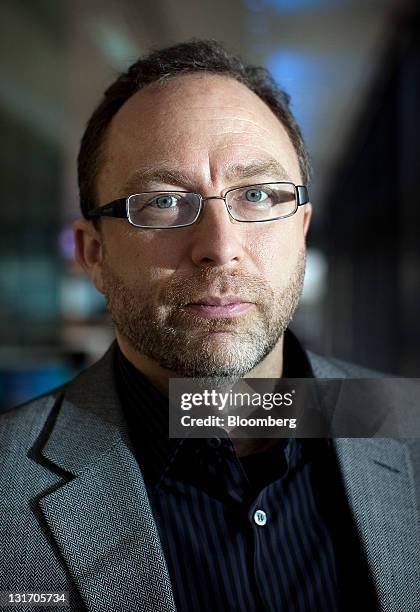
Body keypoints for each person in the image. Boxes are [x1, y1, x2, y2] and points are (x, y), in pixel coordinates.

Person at [0, 40, 418, 612]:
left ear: (301, 230)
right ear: (93, 252)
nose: (220, 248)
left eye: (258, 195)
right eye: (163, 202)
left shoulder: (406, 429)